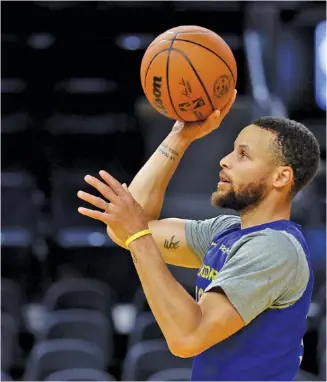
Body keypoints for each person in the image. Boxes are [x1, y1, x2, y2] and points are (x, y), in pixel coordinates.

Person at [77, 90, 321, 381]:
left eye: (243, 154)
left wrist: (137, 235)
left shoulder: (274, 248)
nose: (224, 160)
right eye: (232, 150)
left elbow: (187, 337)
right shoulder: (227, 232)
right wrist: (179, 137)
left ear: (281, 177)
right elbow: (125, 229)